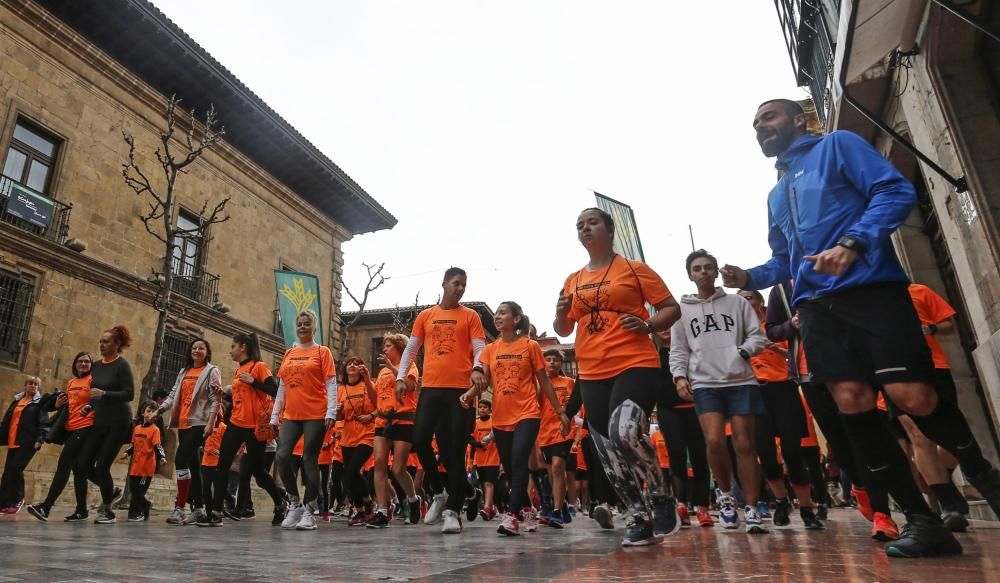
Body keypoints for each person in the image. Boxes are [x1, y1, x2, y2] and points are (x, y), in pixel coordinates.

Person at [721, 98, 999, 557]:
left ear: (797, 119)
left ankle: (986, 478)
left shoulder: (839, 146)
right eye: (755, 124)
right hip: (816, 309)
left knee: (915, 398)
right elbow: (783, 260)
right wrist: (750, 278)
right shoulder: (776, 193)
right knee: (851, 402)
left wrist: (854, 242)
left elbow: (892, 191)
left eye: (768, 117)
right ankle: (922, 522)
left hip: (872, 290)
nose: (760, 127)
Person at [553, 207, 682, 546]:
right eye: (579, 225)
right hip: (592, 370)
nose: (585, 228)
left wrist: (647, 325)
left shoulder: (635, 270)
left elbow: (671, 308)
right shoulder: (573, 279)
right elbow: (564, 328)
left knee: (624, 432)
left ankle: (660, 494)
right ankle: (639, 517)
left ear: (609, 229)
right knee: (607, 449)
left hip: (634, 361)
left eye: (592, 222)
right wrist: (558, 314)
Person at [766, 279, 899, 540]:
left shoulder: (831, 274)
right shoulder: (781, 289)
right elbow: (773, 331)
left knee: (864, 438)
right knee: (839, 443)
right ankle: (861, 487)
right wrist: (791, 325)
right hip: (809, 376)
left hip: (848, 365)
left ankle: (882, 511)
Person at [670, 250, 768, 534]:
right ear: (690, 274)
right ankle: (724, 495)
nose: (703, 272)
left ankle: (751, 507)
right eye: (697, 268)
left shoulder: (737, 302)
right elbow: (679, 350)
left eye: (708, 267)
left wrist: (742, 351)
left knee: (744, 444)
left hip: (740, 380)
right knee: (713, 441)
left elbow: (757, 336)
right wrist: (679, 377)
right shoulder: (681, 311)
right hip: (705, 382)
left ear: (716, 272)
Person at [464, 301, 569, 537]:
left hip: (528, 412)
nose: (498, 317)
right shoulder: (491, 350)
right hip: (501, 416)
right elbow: (484, 380)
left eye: (503, 313)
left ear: (516, 319)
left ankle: (511, 516)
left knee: (519, 458)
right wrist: (470, 394)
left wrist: (561, 412)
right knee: (511, 469)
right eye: (497, 313)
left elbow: (544, 382)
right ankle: (528, 508)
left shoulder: (530, 346)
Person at [396, 267, 488, 534]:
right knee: (421, 440)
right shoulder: (426, 316)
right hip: (432, 388)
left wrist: (478, 368)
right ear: (444, 283)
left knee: (454, 452)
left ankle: (453, 511)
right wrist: (401, 377)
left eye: (464, 284)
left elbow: (480, 347)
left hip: (460, 389)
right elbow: (412, 348)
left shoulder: (470, 316)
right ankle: (439, 492)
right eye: (456, 283)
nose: (460, 288)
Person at [739, 289, 823, 529]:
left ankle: (806, 508)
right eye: (741, 300)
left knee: (792, 450)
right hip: (755, 392)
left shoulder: (777, 326)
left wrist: (773, 347)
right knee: (765, 451)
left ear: (760, 301)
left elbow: (796, 356)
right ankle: (781, 501)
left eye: (750, 298)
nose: (746, 303)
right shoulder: (738, 330)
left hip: (783, 389)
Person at [893, 283, 970, 532]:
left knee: (950, 436)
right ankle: (948, 501)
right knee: (919, 437)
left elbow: (949, 325)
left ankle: (943, 482)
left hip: (934, 367)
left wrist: (931, 328)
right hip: (895, 373)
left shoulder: (919, 291)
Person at [271, 310, 338, 532]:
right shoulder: (289, 353)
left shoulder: (322, 352)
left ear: (314, 328)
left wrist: (330, 412)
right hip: (291, 414)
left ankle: (310, 511)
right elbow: (282, 386)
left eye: (306, 324)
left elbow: (330, 383)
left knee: (310, 460)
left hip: (316, 414)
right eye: (299, 324)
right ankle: (295, 503)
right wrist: (275, 414)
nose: (302, 327)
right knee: (281, 456)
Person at [214, 332, 287, 526]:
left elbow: (276, 391)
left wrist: (254, 382)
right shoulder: (239, 371)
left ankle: (280, 503)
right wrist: (225, 395)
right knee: (222, 464)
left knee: (259, 474)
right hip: (236, 424)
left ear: (242, 347)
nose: (230, 350)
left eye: (232, 346)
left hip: (255, 428)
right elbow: (243, 399)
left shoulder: (259, 367)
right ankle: (214, 511)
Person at [157, 338, 222, 525]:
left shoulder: (211, 370)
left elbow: (215, 399)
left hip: (200, 423)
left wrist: (210, 423)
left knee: (180, 458)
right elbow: (173, 395)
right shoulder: (184, 371)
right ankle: (200, 509)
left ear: (207, 352)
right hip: (183, 423)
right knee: (193, 465)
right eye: (194, 347)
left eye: (201, 347)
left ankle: (180, 507)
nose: (196, 350)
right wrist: (159, 411)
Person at [653, 329, 713, 528]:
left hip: (696, 407)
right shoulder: (654, 354)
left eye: (670, 327)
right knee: (676, 454)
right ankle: (681, 505)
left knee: (699, 456)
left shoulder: (691, 350)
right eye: (661, 327)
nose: (665, 331)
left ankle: (703, 507)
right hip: (668, 410)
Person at [27, 352, 93, 521]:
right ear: (75, 364)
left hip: (85, 428)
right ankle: (82, 510)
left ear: (91, 365)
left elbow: (98, 402)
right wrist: (57, 404)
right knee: (79, 470)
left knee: (64, 464)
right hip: (70, 429)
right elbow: (67, 407)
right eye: (80, 361)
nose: (83, 364)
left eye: (87, 361)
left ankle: (46, 507)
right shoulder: (71, 382)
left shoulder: (93, 380)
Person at [81, 324, 136, 525]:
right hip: (100, 420)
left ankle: (107, 510)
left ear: (117, 344)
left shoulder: (123, 365)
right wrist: (89, 406)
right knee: (83, 464)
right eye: (101, 342)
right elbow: (94, 393)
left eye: (106, 342)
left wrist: (105, 394)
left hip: (119, 422)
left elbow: (129, 394)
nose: (102, 345)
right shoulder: (96, 365)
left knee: (103, 465)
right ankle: (111, 491)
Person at [369, 333, 421, 528]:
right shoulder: (382, 373)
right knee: (380, 463)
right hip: (383, 420)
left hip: (404, 420)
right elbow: (377, 398)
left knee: (398, 469)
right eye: (384, 345)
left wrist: (393, 369)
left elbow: (410, 386)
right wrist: (367, 379)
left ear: (399, 347)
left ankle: (414, 499)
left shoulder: (410, 366)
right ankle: (382, 510)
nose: (384, 349)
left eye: (388, 345)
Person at [335, 356, 377, 526]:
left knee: (352, 470)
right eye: (349, 363)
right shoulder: (341, 389)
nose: (352, 365)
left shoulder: (368, 384)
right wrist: (337, 412)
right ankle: (360, 509)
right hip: (348, 434)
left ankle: (368, 501)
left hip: (367, 432)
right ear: (345, 369)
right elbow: (340, 416)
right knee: (348, 474)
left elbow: (379, 405)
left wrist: (370, 416)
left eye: (356, 363)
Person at [537, 349, 576, 528]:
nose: (552, 363)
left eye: (556, 360)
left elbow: (574, 404)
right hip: (544, 432)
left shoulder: (569, 382)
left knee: (558, 466)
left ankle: (557, 511)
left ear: (561, 364)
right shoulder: (539, 383)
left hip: (563, 430)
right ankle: (561, 503)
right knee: (551, 472)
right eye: (548, 359)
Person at [0, 376, 48, 513]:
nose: (32, 386)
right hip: (12, 440)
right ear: (25, 385)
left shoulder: (39, 403)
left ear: (38, 388)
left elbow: (44, 422)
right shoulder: (17, 401)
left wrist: (40, 439)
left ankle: (18, 499)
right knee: (8, 472)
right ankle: (3, 503)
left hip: (28, 442)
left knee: (15, 469)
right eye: (30, 383)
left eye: (35, 384)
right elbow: (6, 420)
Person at [125, 402, 166, 522]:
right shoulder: (137, 428)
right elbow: (134, 445)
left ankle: (138, 513)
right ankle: (138, 509)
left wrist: (162, 457)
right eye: (148, 411)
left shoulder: (155, 430)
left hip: (146, 468)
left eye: (153, 412)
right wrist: (127, 452)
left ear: (156, 416)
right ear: (143, 412)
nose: (150, 414)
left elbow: (157, 446)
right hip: (135, 466)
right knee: (133, 490)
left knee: (139, 491)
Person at [470, 399, 500, 520]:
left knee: (489, 483)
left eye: (485, 407)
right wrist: (478, 445)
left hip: (493, 457)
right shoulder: (475, 423)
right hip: (480, 459)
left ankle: (487, 507)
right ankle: (491, 509)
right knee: (484, 484)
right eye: (480, 407)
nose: (482, 409)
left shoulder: (494, 422)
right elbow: (470, 440)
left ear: (490, 409)